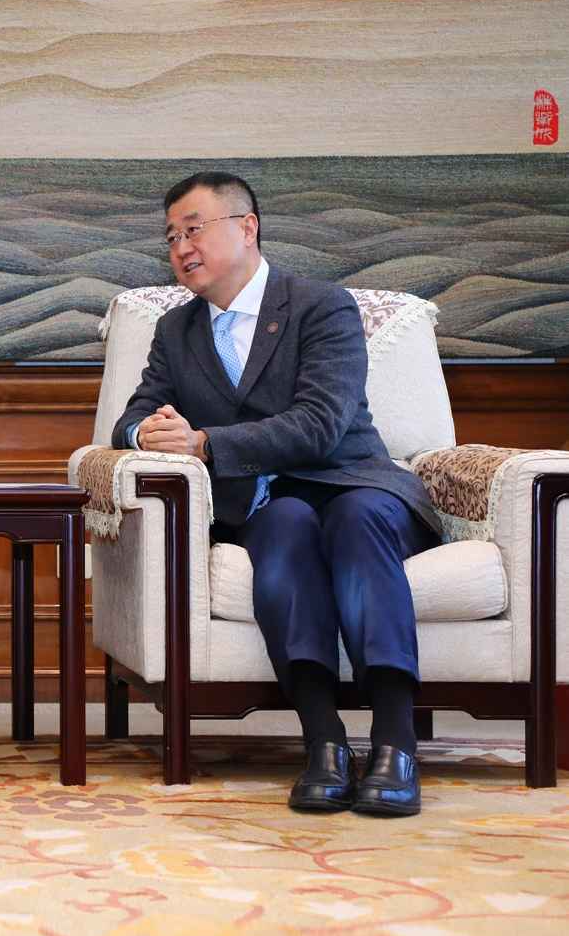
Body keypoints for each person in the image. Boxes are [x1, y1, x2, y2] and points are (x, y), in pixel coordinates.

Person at [112, 172, 440, 816]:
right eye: (171, 237)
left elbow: (321, 424)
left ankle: (396, 744)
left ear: (247, 227)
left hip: (353, 481)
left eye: (194, 229)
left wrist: (205, 443)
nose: (181, 248)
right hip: (266, 503)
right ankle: (323, 743)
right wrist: (146, 431)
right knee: (285, 529)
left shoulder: (321, 306)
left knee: (355, 522)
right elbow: (133, 414)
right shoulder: (177, 331)